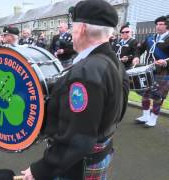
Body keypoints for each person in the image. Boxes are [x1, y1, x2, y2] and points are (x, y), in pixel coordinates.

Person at [21, 0, 129, 179]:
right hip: (98, 152)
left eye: (73, 27)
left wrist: (42, 169)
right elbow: (118, 112)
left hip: (77, 165)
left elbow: (78, 137)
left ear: (82, 29)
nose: (72, 32)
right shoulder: (114, 63)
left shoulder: (86, 72)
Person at [133, 15, 169, 127]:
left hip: (164, 72)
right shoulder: (150, 38)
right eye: (157, 24)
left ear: (167, 26)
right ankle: (145, 116)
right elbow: (139, 49)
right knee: (145, 93)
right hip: (148, 70)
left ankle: (153, 118)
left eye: (161, 24)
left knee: (158, 96)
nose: (158, 26)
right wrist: (136, 56)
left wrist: (166, 61)